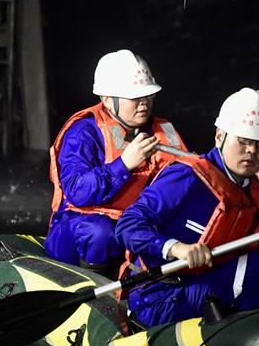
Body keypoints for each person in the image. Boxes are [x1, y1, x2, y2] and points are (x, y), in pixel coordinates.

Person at [115, 88, 259, 329]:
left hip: (199, 284)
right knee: (258, 271)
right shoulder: (185, 177)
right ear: (219, 137)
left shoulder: (249, 190)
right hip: (157, 297)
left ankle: (249, 335)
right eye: (243, 140)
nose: (252, 150)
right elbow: (128, 225)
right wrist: (177, 248)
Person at [46, 50, 188, 275]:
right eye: (134, 97)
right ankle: (95, 284)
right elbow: (75, 190)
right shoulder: (83, 133)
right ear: (107, 100)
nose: (144, 103)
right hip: (80, 225)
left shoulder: (162, 130)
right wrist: (123, 165)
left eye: (148, 95)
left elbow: (187, 177)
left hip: (136, 222)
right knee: (101, 233)